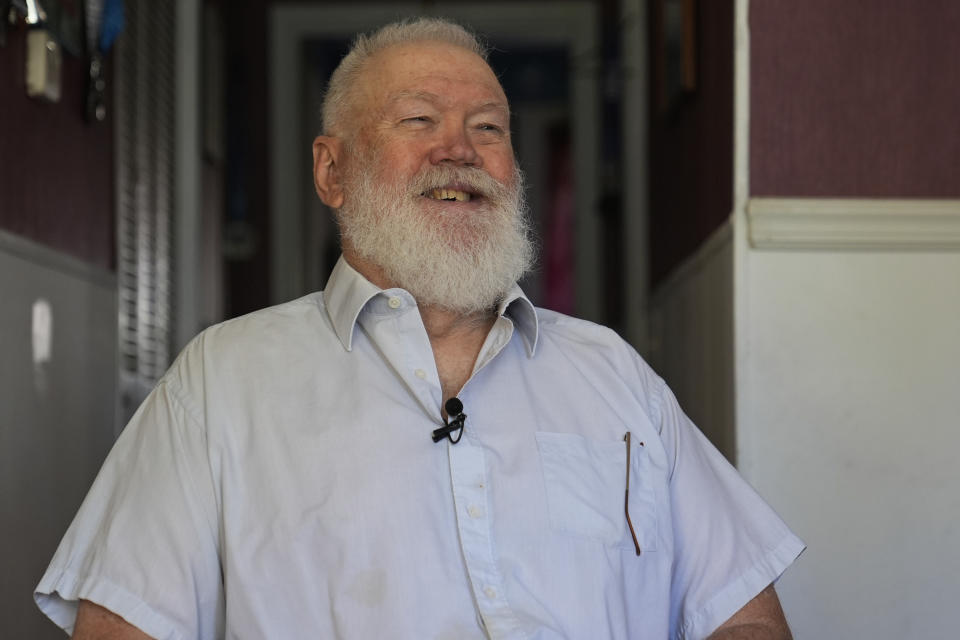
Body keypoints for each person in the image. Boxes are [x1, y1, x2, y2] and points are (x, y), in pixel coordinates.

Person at [35, 17, 804, 640]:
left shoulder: (613, 373)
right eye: (419, 120)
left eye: (489, 128)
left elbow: (743, 615)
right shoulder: (221, 383)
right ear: (332, 171)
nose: (460, 150)